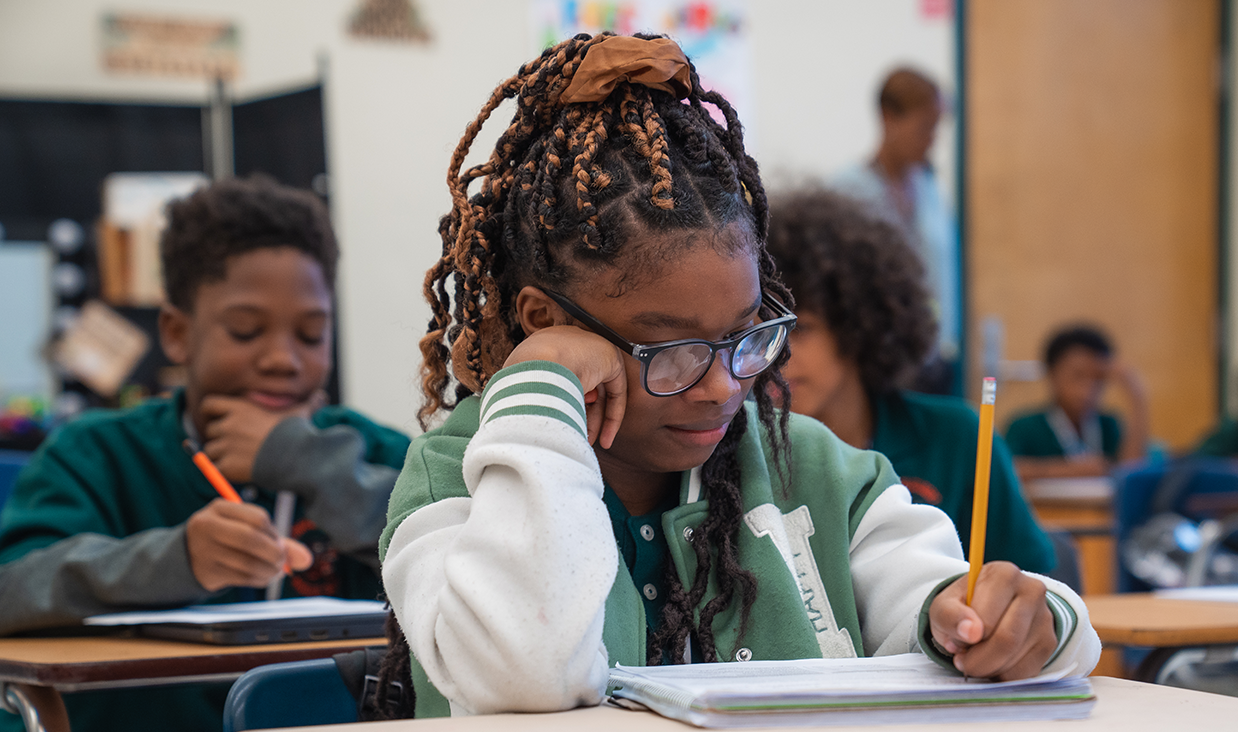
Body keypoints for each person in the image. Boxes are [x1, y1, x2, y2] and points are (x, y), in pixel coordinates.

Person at [376, 34, 1099, 720]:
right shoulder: (452, 479)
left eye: (746, 335)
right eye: (673, 350)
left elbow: (1026, 631)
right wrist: (537, 387)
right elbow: (524, 673)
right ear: (546, 321)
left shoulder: (814, 469)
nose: (723, 385)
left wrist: (1022, 624)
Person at [0, 176, 410, 732]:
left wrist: (312, 465)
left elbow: (475, 557)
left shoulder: (370, 450)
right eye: (245, 331)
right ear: (176, 333)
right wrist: (176, 562)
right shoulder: (94, 453)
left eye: (311, 335)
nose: (283, 360)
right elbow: (12, 589)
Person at [767, 188, 1054, 575]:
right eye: (757, 333)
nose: (774, 356)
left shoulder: (955, 438)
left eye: (800, 329)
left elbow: (1037, 581)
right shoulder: (740, 453)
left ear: (857, 325)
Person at [834, 67, 958, 377]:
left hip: (934, 356)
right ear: (889, 118)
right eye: (925, 128)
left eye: (937, 128)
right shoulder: (848, 191)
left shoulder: (929, 188)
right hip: (876, 359)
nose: (933, 140)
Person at [1004, 325, 1151, 481]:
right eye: (1078, 376)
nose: (1087, 389)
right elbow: (1008, 468)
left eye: (1097, 379)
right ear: (1052, 374)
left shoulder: (1108, 424)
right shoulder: (1025, 426)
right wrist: (1071, 470)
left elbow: (1132, 471)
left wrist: (1137, 398)